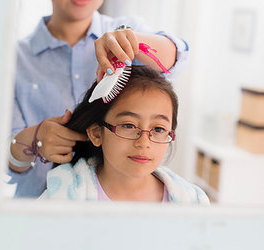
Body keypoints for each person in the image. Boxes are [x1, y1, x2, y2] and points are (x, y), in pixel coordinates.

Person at [8, 0, 189, 198]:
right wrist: (35, 140)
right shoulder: (14, 60)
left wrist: (135, 41)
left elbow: (178, 56)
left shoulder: (129, 32)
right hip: (40, 211)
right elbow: (6, 163)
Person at [40, 65, 209, 204]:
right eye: (128, 125)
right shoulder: (61, 197)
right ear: (96, 134)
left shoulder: (191, 203)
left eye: (158, 129)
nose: (144, 143)